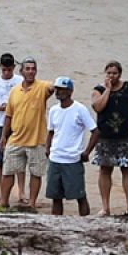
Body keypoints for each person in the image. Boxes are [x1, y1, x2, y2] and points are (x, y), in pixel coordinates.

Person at [90, 61, 128, 215]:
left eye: (115, 73)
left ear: (120, 74)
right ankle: (105, 207)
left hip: (126, 135)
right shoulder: (98, 90)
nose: (112, 76)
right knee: (105, 169)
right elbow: (98, 107)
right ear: (105, 73)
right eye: (109, 73)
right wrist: (107, 91)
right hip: (106, 136)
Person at [0, 57, 55, 209]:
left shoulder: (42, 87)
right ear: (21, 71)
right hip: (16, 138)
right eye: (27, 69)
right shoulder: (14, 91)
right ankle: (3, 202)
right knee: (8, 171)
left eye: (33, 69)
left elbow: (52, 87)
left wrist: (56, 87)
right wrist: (4, 136)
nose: (31, 71)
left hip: (36, 140)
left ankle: (31, 203)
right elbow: (8, 116)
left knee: (36, 173)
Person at [45, 77, 97, 216]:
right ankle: (56, 225)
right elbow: (51, 131)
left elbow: (95, 131)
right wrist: (48, 148)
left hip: (72, 160)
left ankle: (86, 223)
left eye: (62, 89)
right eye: (57, 89)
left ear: (70, 91)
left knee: (80, 195)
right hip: (56, 158)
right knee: (55, 197)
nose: (59, 92)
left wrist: (86, 152)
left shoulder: (80, 109)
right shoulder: (54, 110)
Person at [0, 53, 23, 205]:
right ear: (0, 67)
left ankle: (21, 192)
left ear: (14, 68)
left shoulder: (20, 81)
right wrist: (0, 108)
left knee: (20, 157)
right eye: (4, 70)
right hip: (0, 123)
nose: (7, 73)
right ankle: (2, 192)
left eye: (9, 69)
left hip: (18, 122)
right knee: (1, 160)